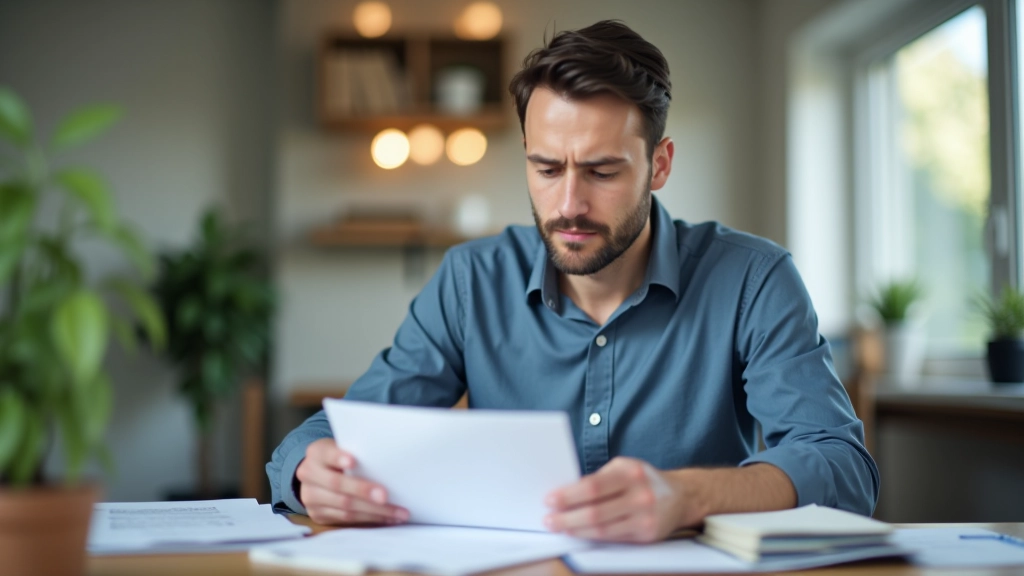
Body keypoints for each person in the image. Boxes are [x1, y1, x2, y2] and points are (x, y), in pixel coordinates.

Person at [268, 19, 878, 543]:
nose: (568, 205)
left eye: (602, 171)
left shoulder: (753, 279)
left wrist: (688, 496)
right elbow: (334, 432)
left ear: (659, 164)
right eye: (546, 168)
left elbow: (843, 468)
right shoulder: (470, 280)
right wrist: (312, 470)